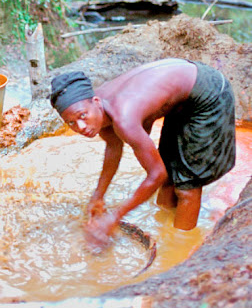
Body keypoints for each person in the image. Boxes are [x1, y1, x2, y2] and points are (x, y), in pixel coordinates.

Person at [49, 58, 236, 249]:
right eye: (71, 122)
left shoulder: (124, 118)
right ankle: (166, 222)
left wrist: (114, 218)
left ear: (95, 102)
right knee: (170, 176)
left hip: (210, 92)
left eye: (82, 116)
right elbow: (113, 148)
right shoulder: (99, 113)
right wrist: (98, 196)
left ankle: (181, 248)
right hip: (183, 96)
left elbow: (156, 175)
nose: (80, 126)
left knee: (187, 186)